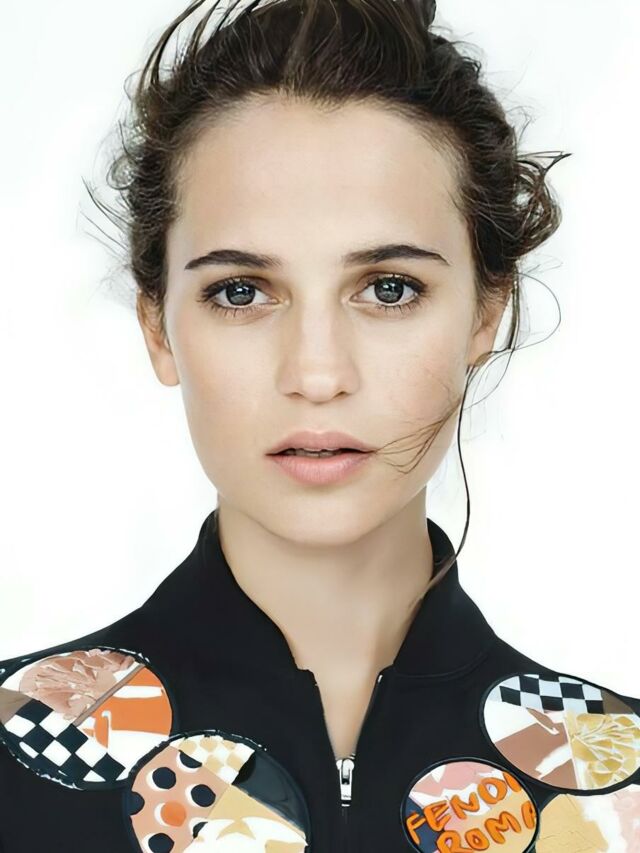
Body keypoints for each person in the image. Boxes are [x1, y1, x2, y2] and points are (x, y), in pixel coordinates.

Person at [1, 0, 638, 851]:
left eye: (388, 289)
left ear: (486, 312)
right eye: (240, 291)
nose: (317, 373)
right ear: (158, 325)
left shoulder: (621, 795)